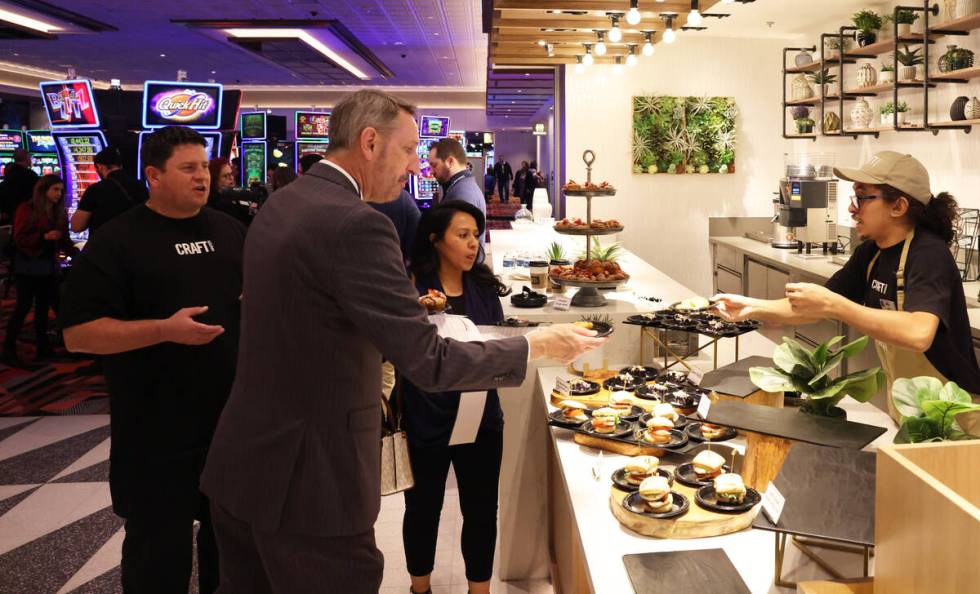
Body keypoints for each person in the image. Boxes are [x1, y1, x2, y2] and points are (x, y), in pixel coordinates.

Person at [199, 89, 604, 594]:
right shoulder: (357, 224)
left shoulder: (284, 202)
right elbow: (428, 361)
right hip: (310, 480)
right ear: (370, 142)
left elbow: (313, 315)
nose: (416, 163)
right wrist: (536, 346)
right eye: (409, 149)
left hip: (243, 462)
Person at [59, 126, 247, 594]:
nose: (202, 177)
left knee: (230, 559)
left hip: (228, 429)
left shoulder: (230, 231)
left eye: (205, 167)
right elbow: (78, 336)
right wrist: (164, 329)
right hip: (154, 435)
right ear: (153, 176)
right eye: (188, 168)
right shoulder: (119, 240)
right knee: (157, 561)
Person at [714, 151, 980, 420]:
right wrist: (749, 307)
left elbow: (918, 333)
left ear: (898, 207)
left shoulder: (928, 254)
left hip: (954, 413)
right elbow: (810, 307)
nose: (853, 208)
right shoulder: (871, 253)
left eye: (863, 197)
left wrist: (836, 305)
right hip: (908, 406)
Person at [402, 200, 509, 594]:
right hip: (427, 415)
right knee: (423, 509)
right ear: (435, 240)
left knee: (481, 511)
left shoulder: (483, 287)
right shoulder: (411, 290)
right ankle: (420, 588)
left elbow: (496, 347)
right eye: (462, 236)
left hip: (481, 415)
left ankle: (478, 589)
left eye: (475, 237)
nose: (472, 245)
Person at [3, 175, 73, 364]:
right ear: (43, 191)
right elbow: (20, 239)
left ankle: (43, 346)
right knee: (23, 306)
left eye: (60, 190)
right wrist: (44, 237)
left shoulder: (58, 212)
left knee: (44, 307)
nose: (59, 194)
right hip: (27, 265)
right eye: (55, 190)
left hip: (48, 265)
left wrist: (77, 254)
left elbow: (63, 239)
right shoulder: (27, 209)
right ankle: (8, 347)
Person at [70, 147, 148, 237]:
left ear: (100, 167)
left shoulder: (95, 189)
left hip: (104, 245)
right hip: (133, 243)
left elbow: (76, 226)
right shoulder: (140, 186)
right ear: (120, 166)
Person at [369, 188, 420, 264]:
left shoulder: (350, 198)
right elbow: (416, 246)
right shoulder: (403, 198)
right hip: (395, 267)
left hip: (356, 269)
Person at [0, 148, 39, 224]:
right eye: (30, 157)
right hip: (24, 216)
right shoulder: (29, 175)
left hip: (7, 216)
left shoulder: (9, 172)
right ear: (27, 158)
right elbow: (41, 188)